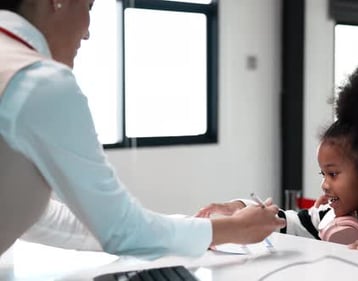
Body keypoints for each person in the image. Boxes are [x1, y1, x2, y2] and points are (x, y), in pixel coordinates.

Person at [0, 0, 285, 258]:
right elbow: (121, 229)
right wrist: (234, 229)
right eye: (89, 7)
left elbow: (42, 219)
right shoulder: (38, 81)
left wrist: (203, 227)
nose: (88, 32)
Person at [197, 65, 358, 255]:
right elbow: (287, 222)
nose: (325, 184)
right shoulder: (330, 215)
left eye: (333, 174)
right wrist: (241, 209)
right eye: (323, 174)